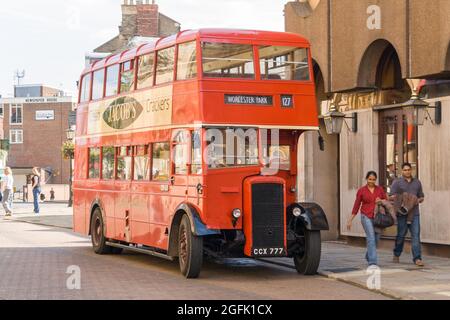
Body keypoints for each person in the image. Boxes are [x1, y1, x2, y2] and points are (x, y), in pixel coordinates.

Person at [347, 171, 387, 267]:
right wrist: (350, 220)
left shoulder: (379, 190)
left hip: (377, 217)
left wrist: (381, 201)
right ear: (366, 179)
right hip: (366, 216)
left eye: (373, 180)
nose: (372, 181)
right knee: (371, 238)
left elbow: (386, 200)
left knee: (376, 238)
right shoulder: (362, 191)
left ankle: (369, 255)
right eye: (370, 179)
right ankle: (372, 262)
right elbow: (356, 205)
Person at [390, 163, 425, 267]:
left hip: (415, 213)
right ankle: (396, 253)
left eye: (409, 169)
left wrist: (415, 200)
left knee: (415, 236)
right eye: (405, 170)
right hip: (402, 214)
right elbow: (391, 196)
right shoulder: (397, 182)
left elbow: (421, 197)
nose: (407, 171)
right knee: (401, 235)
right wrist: (402, 199)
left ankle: (417, 258)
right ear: (402, 171)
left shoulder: (417, 182)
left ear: (411, 170)